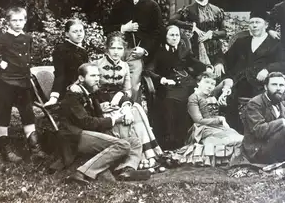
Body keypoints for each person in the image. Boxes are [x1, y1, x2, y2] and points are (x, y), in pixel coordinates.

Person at [60, 63, 151, 184]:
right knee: (123, 145)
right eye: (92, 75)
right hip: (75, 135)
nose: (97, 79)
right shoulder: (73, 95)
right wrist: (114, 120)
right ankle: (81, 173)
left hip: (90, 132)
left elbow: (118, 95)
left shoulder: (91, 91)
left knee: (134, 142)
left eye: (98, 75)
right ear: (81, 78)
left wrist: (121, 106)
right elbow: (86, 122)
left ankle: (126, 170)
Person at [0, 7, 47, 162]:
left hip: (23, 81)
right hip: (7, 82)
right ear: (7, 22)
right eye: (14, 20)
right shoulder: (4, 38)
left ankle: (35, 148)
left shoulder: (28, 37)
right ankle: (5, 150)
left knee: (27, 113)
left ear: (25, 20)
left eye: (21, 20)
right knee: (4, 114)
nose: (18, 23)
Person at [92, 32, 163, 165]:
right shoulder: (96, 64)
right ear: (107, 49)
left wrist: (123, 102)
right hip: (101, 102)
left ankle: (147, 155)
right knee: (122, 114)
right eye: (113, 48)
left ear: (124, 50)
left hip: (120, 100)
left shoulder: (124, 66)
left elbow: (128, 91)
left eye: (120, 48)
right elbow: (92, 89)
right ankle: (131, 157)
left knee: (137, 110)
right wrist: (101, 104)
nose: (116, 52)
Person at [216, 9, 285, 131]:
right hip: (238, 82)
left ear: (265, 25)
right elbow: (225, 57)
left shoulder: (274, 44)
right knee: (228, 100)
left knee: (259, 106)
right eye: (251, 23)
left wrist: (267, 69)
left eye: (257, 22)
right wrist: (219, 63)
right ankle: (235, 133)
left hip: (259, 84)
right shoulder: (241, 42)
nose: (254, 25)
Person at [105, 0, 165, 103]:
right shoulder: (119, 5)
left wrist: (144, 49)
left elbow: (159, 32)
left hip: (139, 54)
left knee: (133, 87)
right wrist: (123, 28)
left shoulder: (152, 6)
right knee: (110, 84)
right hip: (118, 52)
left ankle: (133, 114)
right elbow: (107, 28)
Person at [146, 25, 210, 150]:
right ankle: (172, 143)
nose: (174, 38)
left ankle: (190, 139)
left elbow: (193, 62)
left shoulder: (183, 49)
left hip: (186, 83)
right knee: (171, 102)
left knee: (194, 98)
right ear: (165, 36)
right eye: (171, 35)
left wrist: (207, 68)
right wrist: (162, 79)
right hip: (168, 85)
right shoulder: (159, 52)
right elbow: (149, 69)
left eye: (177, 35)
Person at [177, 71, 242, 166]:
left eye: (212, 84)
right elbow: (198, 120)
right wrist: (220, 119)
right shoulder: (193, 98)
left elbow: (228, 80)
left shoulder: (212, 94)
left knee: (238, 139)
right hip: (202, 129)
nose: (210, 86)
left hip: (218, 127)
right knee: (222, 142)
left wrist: (225, 91)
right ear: (198, 82)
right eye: (206, 82)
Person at [169, 0, 227, 73]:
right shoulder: (188, 10)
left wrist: (212, 34)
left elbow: (224, 32)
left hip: (215, 52)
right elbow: (172, 20)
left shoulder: (217, 10)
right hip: (195, 53)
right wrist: (192, 27)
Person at [44, 19, 89, 107]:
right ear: (67, 34)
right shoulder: (61, 50)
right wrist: (54, 97)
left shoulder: (83, 51)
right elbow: (60, 74)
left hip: (83, 88)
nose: (79, 34)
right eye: (75, 31)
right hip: (67, 89)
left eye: (81, 31)